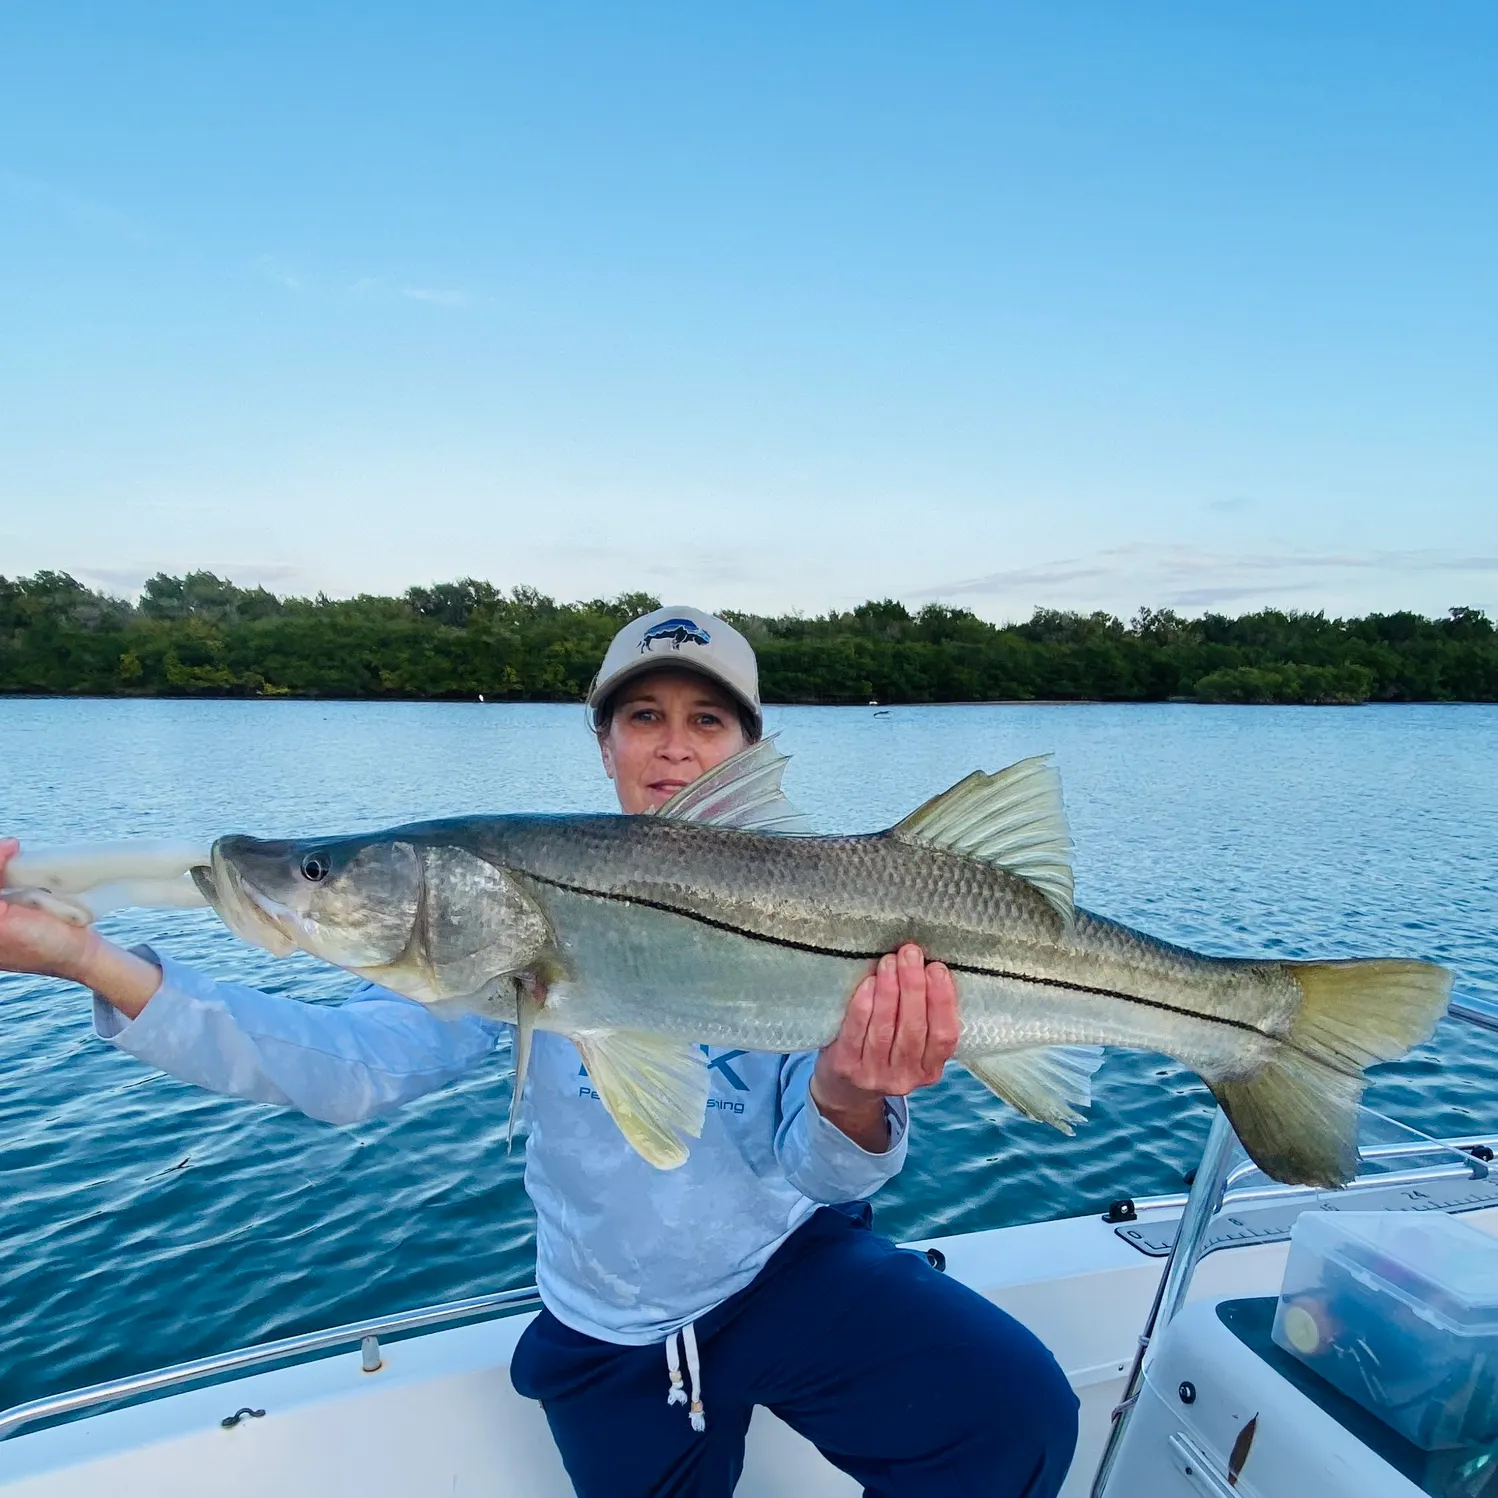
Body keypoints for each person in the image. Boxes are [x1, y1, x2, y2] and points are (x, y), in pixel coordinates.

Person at [0, 604, 1078, 1497]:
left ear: (747, 751)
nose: (674, 745)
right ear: (603, 742)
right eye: (643, 716)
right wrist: (94, 963)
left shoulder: (828, 893)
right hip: (609, 1326)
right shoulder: (494, 930)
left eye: (707, 720)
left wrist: (850, 1092)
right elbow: (347, 1064)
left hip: (789, 1265)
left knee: (1014, 1415)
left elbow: (827, 1170)